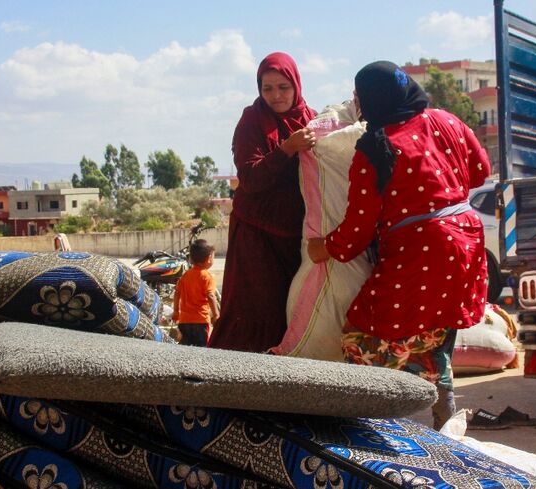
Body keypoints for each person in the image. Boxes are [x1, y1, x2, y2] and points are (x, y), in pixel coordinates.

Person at [306, 61, 491, 429]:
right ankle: (446, 417)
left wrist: (323, 247)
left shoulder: (376, 149)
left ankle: (367, 430)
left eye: (359, 98)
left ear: (370, 99)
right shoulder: (447, 120)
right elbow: (481, 171)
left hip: (423, 252)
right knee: (436, 331)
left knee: (363, 337)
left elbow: (357, 231)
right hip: (467, 242)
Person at [208, 52, 317, 352]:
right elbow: (251, 178)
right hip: (256, 236)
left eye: (283, 87)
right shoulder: (252, 120)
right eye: (267, 88)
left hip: (296, 237)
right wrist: (286, 149)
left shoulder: (311, 119)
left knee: (294, 311)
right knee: (255, 312)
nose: (276, 95)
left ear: (296, 85)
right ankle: (231, 388)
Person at [171, 240, 220, 347]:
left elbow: (177, 294)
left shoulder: (185, 276)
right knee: (201, 349)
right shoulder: (207, 277)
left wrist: (176, 312)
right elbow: (211, 296)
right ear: (209, 259)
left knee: (186, 348)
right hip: (201, 321)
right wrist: (216, 315)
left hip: (184, 321)